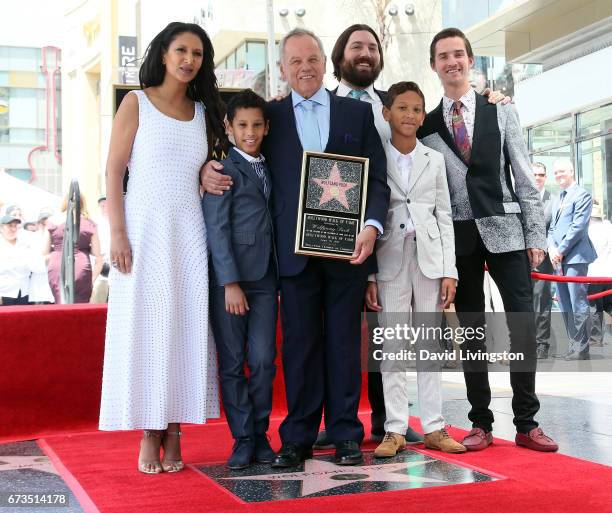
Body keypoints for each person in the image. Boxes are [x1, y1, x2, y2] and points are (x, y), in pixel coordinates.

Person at [203, 27, 390, 467]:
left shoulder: (356, 115)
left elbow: (377, 180)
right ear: (283, 69)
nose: (304, 68)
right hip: (291, 254)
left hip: (348, 252)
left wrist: (372, 226)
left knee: (344, 344)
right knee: (300, 348)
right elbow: (237, 153)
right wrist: (206, 169)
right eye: (295, 62)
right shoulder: (269, 116)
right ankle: (298, 436)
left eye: (312, 59)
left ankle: (346, 432)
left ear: (325, 62)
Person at [418, 28, 558, 452]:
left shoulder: (501, 111)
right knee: (473, 332)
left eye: (459, 54)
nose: (452, 62)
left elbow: (523, 174)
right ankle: (480, 422)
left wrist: (535, 234)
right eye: (443, 56)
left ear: (471, 60)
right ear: (434, 65)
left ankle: (527, 422)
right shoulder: (425, 125)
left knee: (521, 326)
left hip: (507, 229)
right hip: (458, 236)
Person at [99, 22, 226, 474]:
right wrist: (117, 232)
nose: (188, 59)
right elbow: (114, 171)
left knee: (185, 330)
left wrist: (209, 171)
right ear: (164, 54)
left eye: (196, 52)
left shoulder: (204, 111)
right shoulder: (137, 102)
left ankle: (175, 430)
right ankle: (148, 431)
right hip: (142, 232)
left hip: (189, 233)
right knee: (149, 330)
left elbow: (205, 170)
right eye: (180, 50)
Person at [365, 81, 465, 457]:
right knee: (391, 346)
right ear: (386, 112)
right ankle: (394, 429)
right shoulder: (376, 158)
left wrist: (449, 270)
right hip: (390, 258)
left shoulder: (434, 159)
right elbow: (369, 215)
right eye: (402, 108)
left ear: (424, 116)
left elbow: (444, 216)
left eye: (417, 109)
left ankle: (435, 426)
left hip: (429, 260)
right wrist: (370, 275)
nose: (410, 115)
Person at [203, 89, 278, 470]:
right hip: (231, 281)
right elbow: (216, 229)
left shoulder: (273, 164)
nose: (250, 132)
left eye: (257, 125)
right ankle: (243, 437)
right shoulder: (221, 170)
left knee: (264, 359)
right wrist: (229, 282)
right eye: (242, 125)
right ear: (229, 128)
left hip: (266, 276)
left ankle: (262, 433)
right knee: (233, 362)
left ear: (266, 127)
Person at [548, 158, 597, 360]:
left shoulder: (582, 194)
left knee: (578, 303)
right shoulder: (559, 197)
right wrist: (551, 248)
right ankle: (573, 344)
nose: (559, 176)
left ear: (571, 172)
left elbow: (578, 227)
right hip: (558, 258)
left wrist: (560, 249)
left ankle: (582, 348)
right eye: (556, 173)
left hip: (575, 257)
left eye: (562, 172)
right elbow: (551, 228)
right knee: (564, 303)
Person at [43, 194, 103, 304]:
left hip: (57, 264)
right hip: (81, 264)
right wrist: (92, 279)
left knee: (60, 302)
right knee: (80, 308)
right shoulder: (89, 223)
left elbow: (43, 253)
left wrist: (57, 251)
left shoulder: (52, 221)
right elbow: (98, 255)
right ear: (83, 204)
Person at [532, 162, 555, 358]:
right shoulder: (521, 198)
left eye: (541, 174)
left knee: (542, 304)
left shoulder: (552, 200)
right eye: (534, 174)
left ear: (545, 177)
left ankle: (542, 345)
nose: (537, 177)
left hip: (544, 261)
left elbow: (554, 229)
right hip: (524, 261)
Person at [0, 215, 46, 306]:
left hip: (24, 292)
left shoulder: (25, 245)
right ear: (1, 228)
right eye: (10, 226)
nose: (13, 229)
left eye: (15, 226)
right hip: (4, 293)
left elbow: (35, 266)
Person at [587, 201, 612, 346]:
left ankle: (596, 339)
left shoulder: (588, 231)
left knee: (595, 307)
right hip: (609, 273)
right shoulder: (609, 227)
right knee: (610, 304)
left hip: (594, 273)